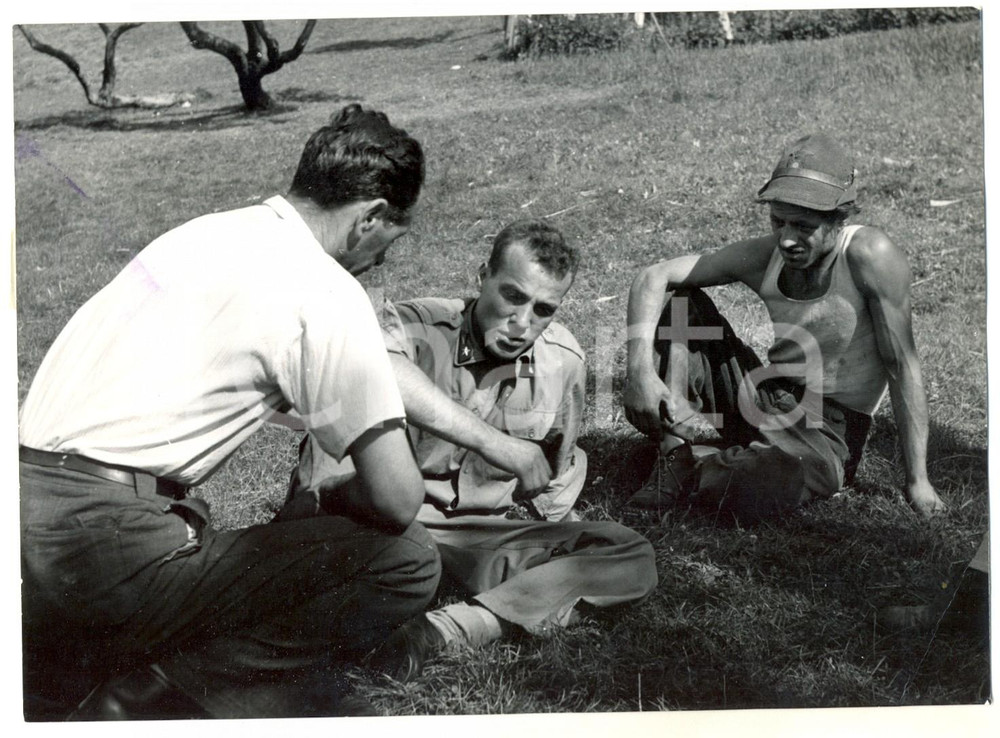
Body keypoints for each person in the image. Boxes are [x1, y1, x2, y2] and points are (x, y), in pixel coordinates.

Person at [18, 104, 441, 720]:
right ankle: (153, 698)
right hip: (97, 553)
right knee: (407, 561)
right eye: (388, 244)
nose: (381, 264)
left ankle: (62, 665)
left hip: (19, 524)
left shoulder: (199, 234)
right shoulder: (323, 284)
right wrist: (328, 506)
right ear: (370, 217)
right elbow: (398, 498)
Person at [282, 220, 658, 680]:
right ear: (482, 276)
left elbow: (553, 473)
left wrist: (561, 549)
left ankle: (442, 631)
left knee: (627, 553)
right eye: (513, 296)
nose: (523, 323)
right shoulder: (415, 326)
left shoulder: (564, 361)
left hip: (474, 536)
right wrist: (495, 443)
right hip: (378, 521)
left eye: (543, 309)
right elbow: (369, 364)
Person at [622, 132, 947, 526]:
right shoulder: (767, 255)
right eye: (778, 222)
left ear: (839, 217)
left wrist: (918, 482)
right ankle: (675, 454)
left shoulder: (868, 257)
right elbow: (654, 276)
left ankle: (710, 462)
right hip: (764, 393)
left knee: (754, 484)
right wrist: (638, 370)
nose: (788, 239)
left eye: (803, 225)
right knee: (680, 303)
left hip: (828, 427)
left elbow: (902, 365)